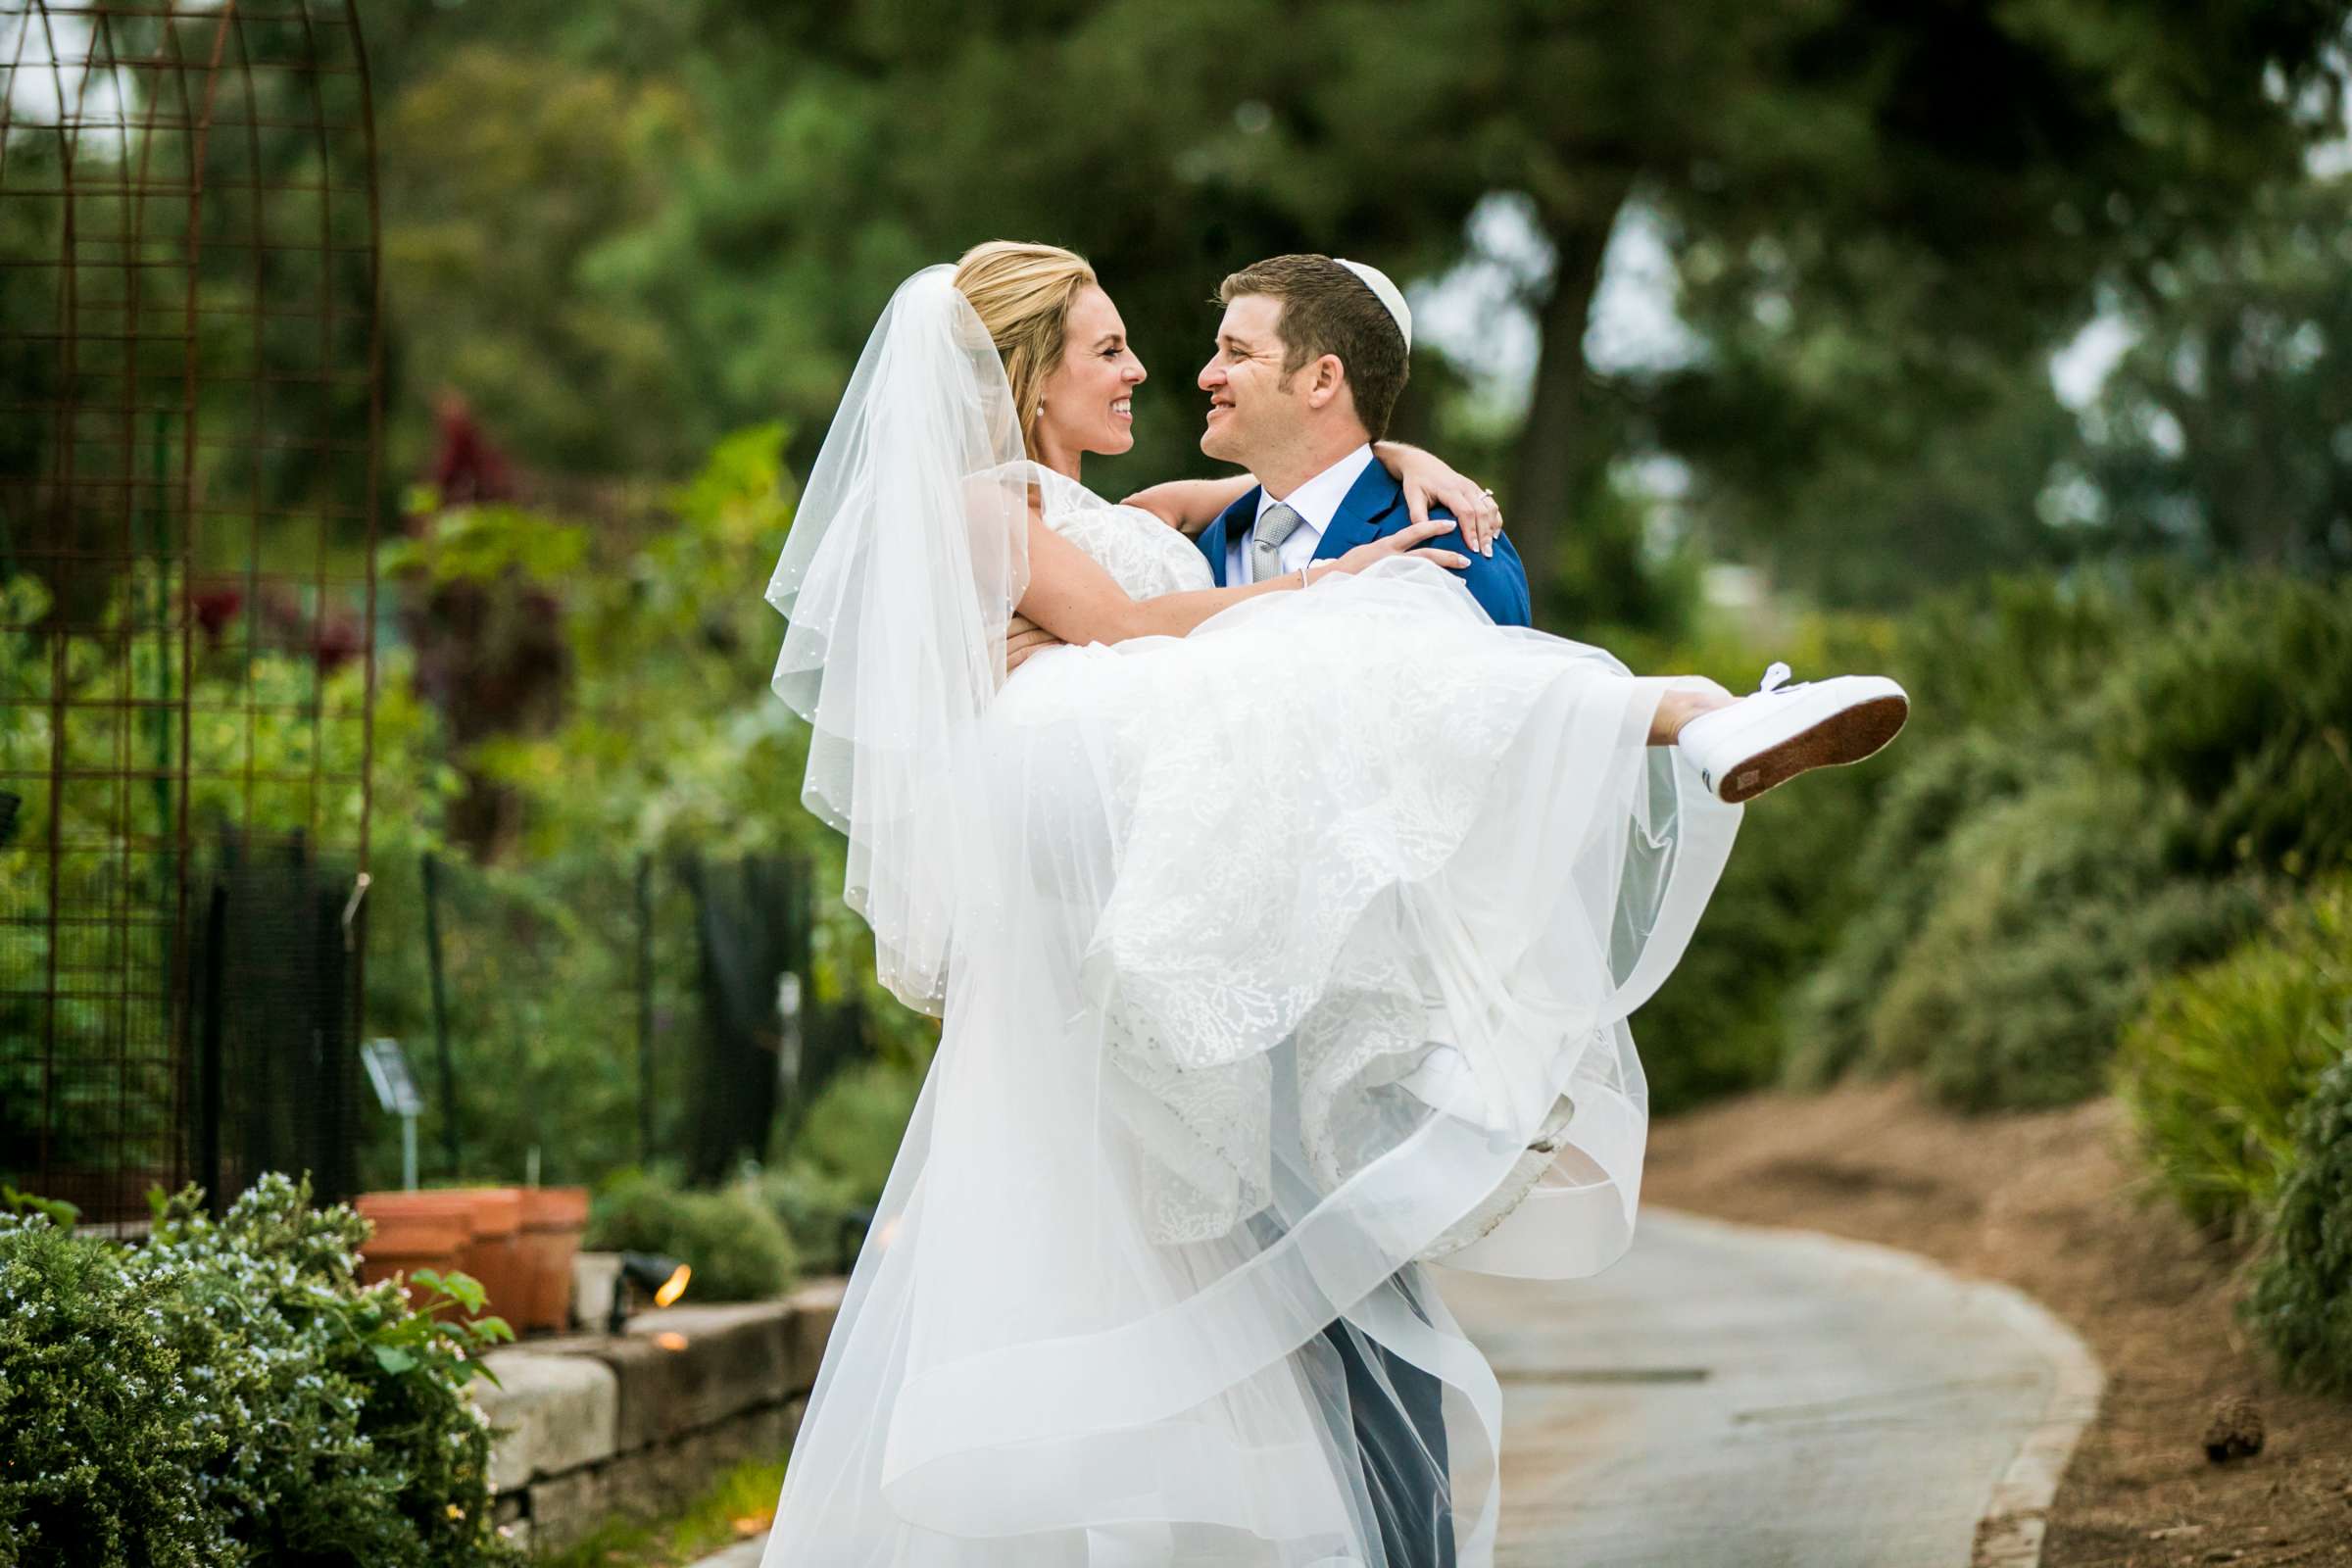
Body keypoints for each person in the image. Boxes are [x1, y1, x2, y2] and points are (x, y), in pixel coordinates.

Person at [760, 242, 1908, 1568]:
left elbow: (1194, 521)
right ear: (1027, 382)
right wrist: (1318, 592)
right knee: (1345, 648)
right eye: (1112, 350)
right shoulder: (986, 509)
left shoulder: (1146, 510)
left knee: (1315, 1315)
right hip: (1105, 803)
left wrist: (1416, 468)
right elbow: (1136, 628)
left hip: (1208, 893)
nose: (1153, 370)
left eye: (1199, 351)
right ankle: (1677, 716)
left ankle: (1679, 730)